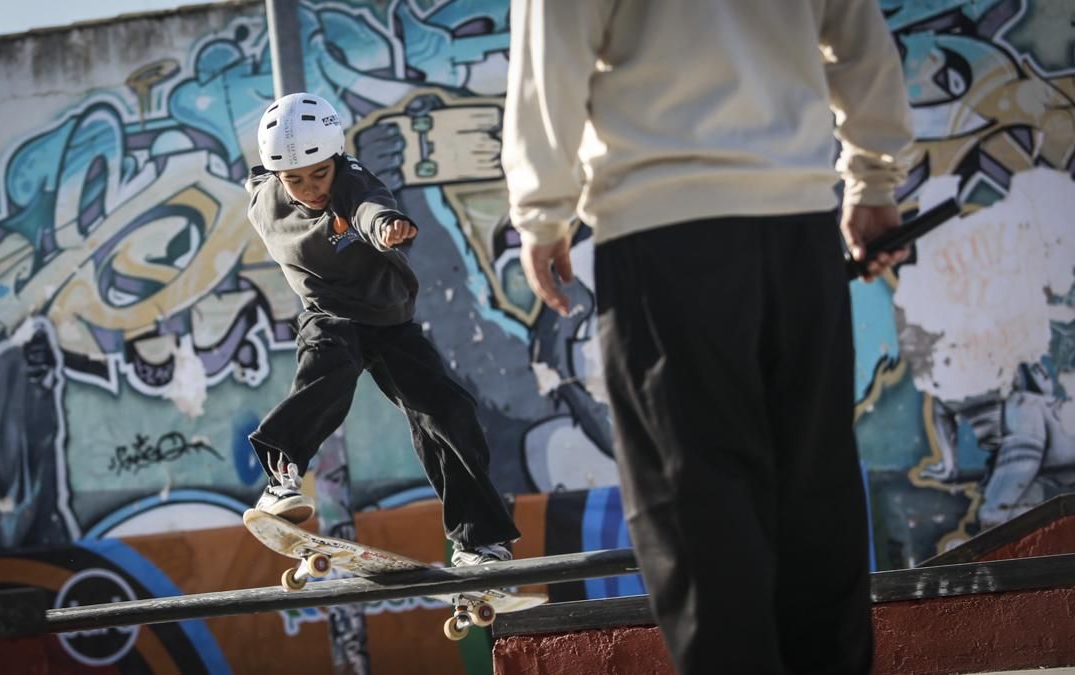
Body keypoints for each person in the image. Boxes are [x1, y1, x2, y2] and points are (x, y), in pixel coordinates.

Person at [502, 0, 913, 672]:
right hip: (799, 225)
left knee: (695, 500)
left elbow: (552, 44)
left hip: (665, 224)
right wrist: (873, 179)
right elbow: (857, 36)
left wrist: (541, 212)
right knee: (814, 485)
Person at [244, 92, 521, 566]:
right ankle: (281, 477)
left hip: (390, 322)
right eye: (295, 180)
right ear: (276, 175)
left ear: (336, 159)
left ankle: (479, 541)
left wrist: (386, 226)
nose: (311, 189)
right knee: (328, 369)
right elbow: (260, 180)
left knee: (448, 412)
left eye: (319, 174)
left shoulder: (352, 181)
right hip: (329, 313)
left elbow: (370, 206)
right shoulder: (264, 197)